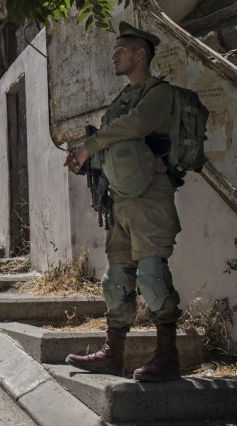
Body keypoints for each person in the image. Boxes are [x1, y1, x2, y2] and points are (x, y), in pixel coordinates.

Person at [64, 22, 183, 382]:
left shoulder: (160, 94)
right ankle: (112, 355)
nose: (114, 56)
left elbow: (132, 127)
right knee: (116, 279)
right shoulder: (118, 102)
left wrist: (90, 146)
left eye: (121, 51)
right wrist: (85, 159)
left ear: (140, 54)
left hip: (150, 198)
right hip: (121, 201)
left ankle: (167, 357)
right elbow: (111, 143)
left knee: (151, 276)